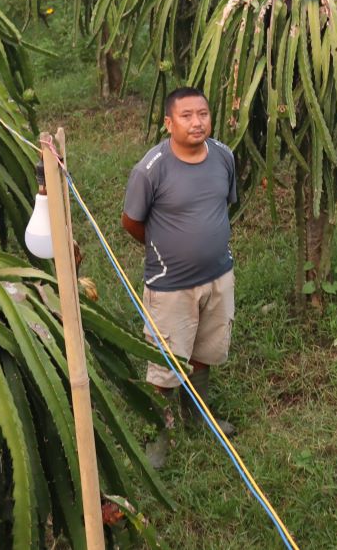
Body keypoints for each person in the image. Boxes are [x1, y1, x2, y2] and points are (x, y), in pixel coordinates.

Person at [122, 86, 238, 469]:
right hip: (170, 284)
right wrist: (169, 249)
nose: (196, 122)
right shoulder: (151, 168)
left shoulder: (223, 156)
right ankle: (160, 430)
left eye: (202, 113)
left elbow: (224, 207)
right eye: (186, 116)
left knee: (206, 350)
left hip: (219, 275)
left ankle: (197, 418)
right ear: (168, 122)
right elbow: (132, 222)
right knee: (165, 363)